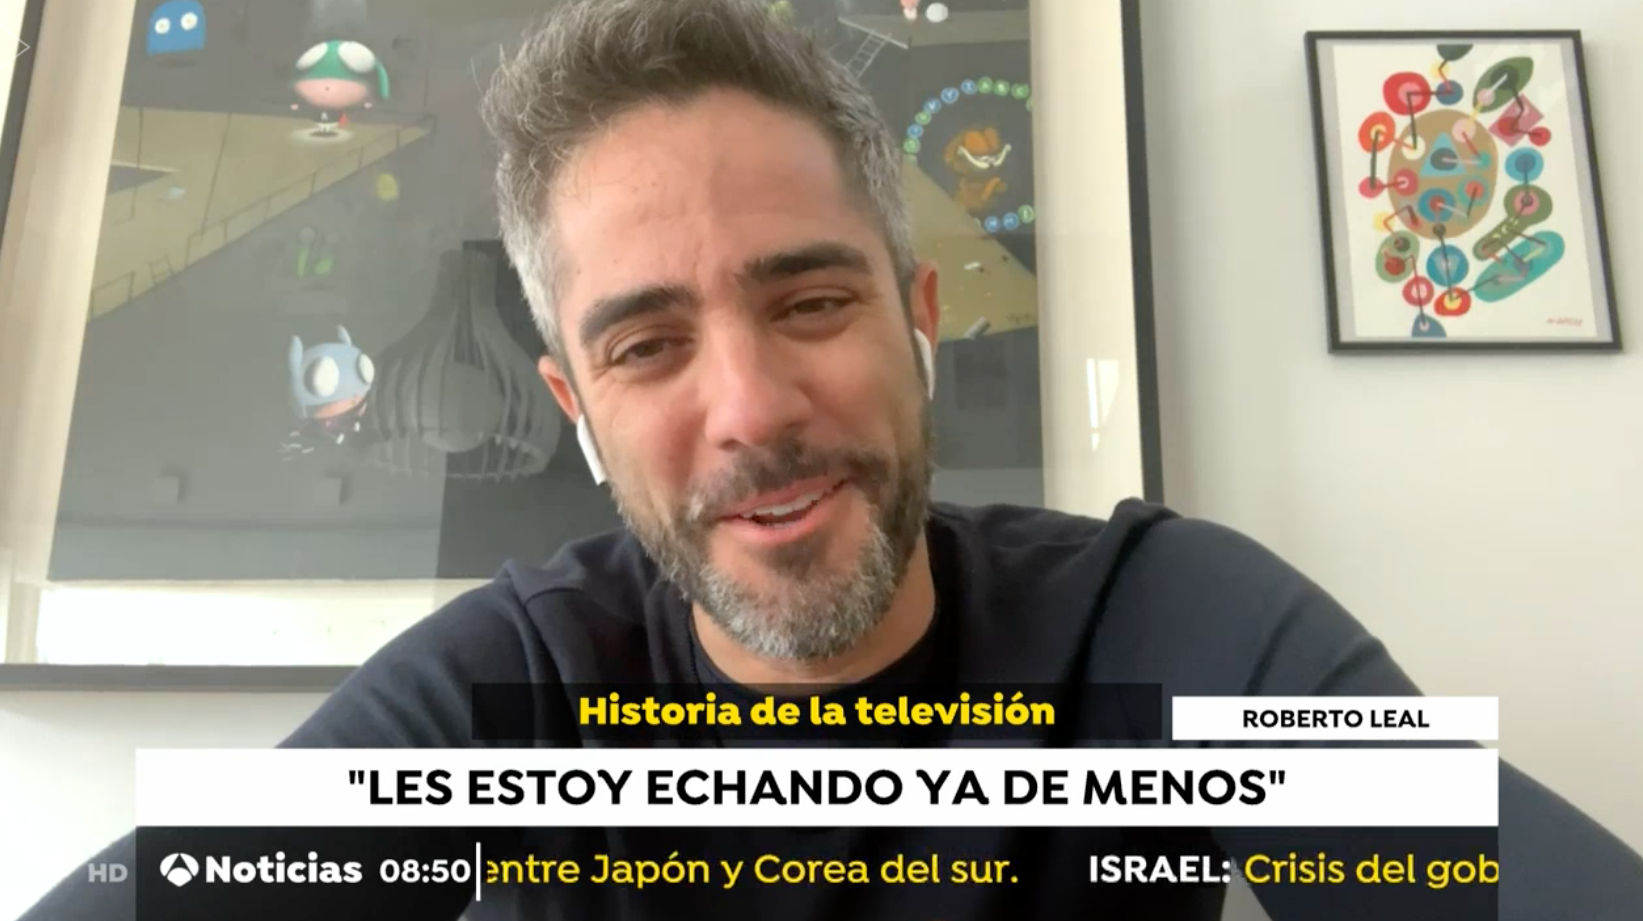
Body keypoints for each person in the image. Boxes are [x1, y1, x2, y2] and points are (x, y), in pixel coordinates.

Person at [17, 1, 1643, 919]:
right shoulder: (506, 695)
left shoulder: (1168, 633)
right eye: (648, 346)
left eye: (808, 301)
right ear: (573, 405)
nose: (751, 408)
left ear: (917, 317)